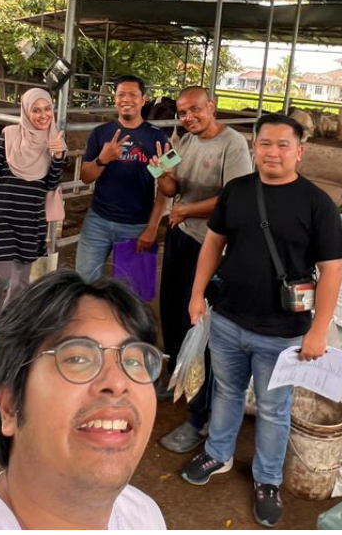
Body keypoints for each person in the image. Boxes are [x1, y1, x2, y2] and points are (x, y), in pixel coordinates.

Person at [180, 114, 342, 528]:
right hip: (228, 320)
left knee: (274, 408)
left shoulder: (316, 203)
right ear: (254, 148)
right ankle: (218, 454)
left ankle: (267, 480)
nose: (272, 152)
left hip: (282, 332)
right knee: (226, 392)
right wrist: (198, 293)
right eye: (265, 144)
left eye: (282, 145)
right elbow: (213, 243)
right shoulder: (237, 191)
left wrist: (320, 329)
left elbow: (332, 270)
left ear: (299, 151)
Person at [0, 270, 167, 529]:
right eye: (77, 358)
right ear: (9, 407)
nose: (118, 383)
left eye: (133, 360)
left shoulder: (143, 515)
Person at [151, 86, 252, 453]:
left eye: (195, 110)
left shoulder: (233, 144)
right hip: (180, 237)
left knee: (200, 328)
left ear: (211, 107)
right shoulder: (187, 140)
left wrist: (186, 211)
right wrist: (160, 169)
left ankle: (200, 417)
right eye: (181, 112)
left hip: (210, 246)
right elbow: (173, 185)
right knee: (173, 317)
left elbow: (234, 197)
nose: (188, 117)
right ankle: (180, 380)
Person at [0, 88, 67, 361]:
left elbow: (50, 185)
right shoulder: (9, 135)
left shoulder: (55, 141)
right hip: (1, 215)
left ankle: (8, 330)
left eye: (47, 109)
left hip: (30, 218)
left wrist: (58, 158)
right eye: (35, 110)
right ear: (25, 111)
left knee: (21, 281)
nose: (42, 115)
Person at [75, 75, 170, 283]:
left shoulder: (159, 137)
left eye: (133, 94)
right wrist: (102, 160)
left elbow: (167, 188)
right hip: (97, 222)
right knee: (84, 283)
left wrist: (152, 227)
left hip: (136, 226)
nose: (126, 99)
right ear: (115, 99)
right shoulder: (100, 133)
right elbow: (84, 177)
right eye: (121, 95)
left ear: (143, 99)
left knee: (131, 291)